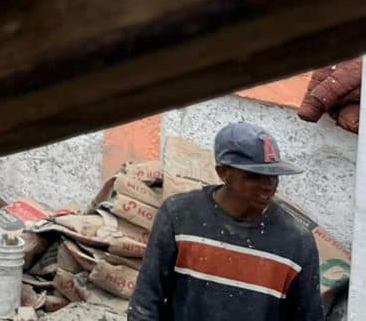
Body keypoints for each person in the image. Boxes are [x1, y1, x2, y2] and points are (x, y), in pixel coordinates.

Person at [130, 122, 324, 320]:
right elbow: (146, 300)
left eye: (274, 176)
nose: (268, 185)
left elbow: (309, 316)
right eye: (255, 176)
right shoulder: (179, 216)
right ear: (223, 173)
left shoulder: (297, 241)